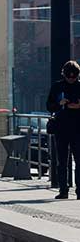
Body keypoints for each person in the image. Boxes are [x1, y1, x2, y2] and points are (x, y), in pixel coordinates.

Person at [46, 60, 80, 199]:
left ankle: (79, 191)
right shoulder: (57, 87)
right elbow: (49, 105)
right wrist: (59, 104)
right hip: (61, 127)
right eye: (69, 76)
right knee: (62, 161)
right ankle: (63, 190)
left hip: (78, 128)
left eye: (74, 76)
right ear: (64, 75)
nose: (71, 79)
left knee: (79, 160)